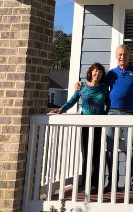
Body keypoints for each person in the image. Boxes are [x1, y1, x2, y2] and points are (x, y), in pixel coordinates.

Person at [76, 44, 133, 192]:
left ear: (129, 56)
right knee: (110, 149)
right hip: (112, 113)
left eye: (125, 54)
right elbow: (95, 85)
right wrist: (80, 85)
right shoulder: (111, 74)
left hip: (130, 113)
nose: (123, 57)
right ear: (117, 57)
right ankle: (112, 181)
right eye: (120, 55)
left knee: (132, 149)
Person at [50, 62, 109, 193]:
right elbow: (72, 100)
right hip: (85, 125)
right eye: (95, 71)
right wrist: (61, 110)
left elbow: (109, 104)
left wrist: (109, 117)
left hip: (99, 124)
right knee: (87, 153)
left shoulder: (105, 88)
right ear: (90, 72)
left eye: (100, 72)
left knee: (97, 154)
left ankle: (96, 184)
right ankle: (86, 183)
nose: (97, 74)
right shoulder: (82, 87)